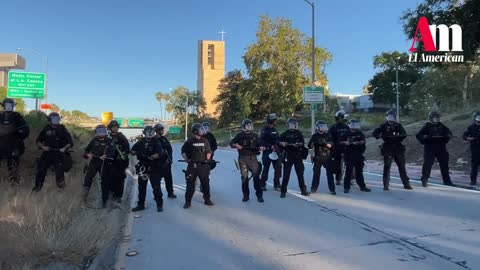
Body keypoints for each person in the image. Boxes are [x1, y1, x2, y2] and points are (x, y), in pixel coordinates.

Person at [372, 110, 412, 191]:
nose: (391, 119)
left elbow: (404, 134)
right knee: (387, 167)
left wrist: (398, 136)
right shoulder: (383, 126)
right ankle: (385, 184)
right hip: (388, 147)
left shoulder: (398, 125)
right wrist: (380, 135)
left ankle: (406, 184)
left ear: (395, 117)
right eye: (389, 117)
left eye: (392, 117)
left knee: (402, 167)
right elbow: (374, 133)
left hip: (398, 147)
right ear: (386, 117)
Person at [33, 112, 73, 192]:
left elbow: (70, 143)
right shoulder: (46, 128)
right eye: (54, 119)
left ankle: (62, 191)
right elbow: (38, 141)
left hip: (59, 154)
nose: (55, 120)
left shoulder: (63, 129)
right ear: (49, 120)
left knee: (59, 173)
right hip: (47, 153)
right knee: (41, 171)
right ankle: (37, 189)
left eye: (57, 119)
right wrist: (43, 147)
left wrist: (64, 148)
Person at [130, 126, 167, 212]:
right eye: (148, 132)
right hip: (143, 167)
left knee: (156, 187)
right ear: (144, 133)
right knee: (142, 187)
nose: (150, 133)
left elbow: (161, 153)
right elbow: (132, 152)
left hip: (154, 167)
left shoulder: (157, 142)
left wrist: (157, 155)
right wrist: (136, 152)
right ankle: (141, 205)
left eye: (151, 132)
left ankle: (159, 204)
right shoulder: (140, 142)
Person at [230, 119, 265, 202]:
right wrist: (236, 145)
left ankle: (259, 196)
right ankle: (246, 195)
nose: (249, 127)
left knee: (256, 177)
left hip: (253, 159)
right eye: (247, 125)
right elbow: (231, 143)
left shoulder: (255, 136)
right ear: (243, 127)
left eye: (250, 125)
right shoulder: (239, 135)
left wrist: (261, 148)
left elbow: (260, 145)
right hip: (242, 159)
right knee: (244, 178)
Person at [416, 112, 454, 187]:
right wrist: (425, 138)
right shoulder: (427, 126)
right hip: (430, 147)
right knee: (428, 164)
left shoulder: (442, 126)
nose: (436, 119)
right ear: (430, 118)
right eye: (434, 118)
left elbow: (449, 134)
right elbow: (418, 135)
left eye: (437, 118)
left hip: (441, 147)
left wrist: (447, 136)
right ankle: (424, 179)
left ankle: (447, 181)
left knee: (444, 164)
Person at [181, 123, 214, 209]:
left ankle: (207, 200)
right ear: (195, 131)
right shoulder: (189, 141)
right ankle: (187, 202)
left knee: (205, 184)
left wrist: (208, 158)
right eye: (200, 129)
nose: (202, 131)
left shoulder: (205, 140)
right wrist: (186, 159)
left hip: (203, 166)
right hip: (192, 166)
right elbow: (183, 151)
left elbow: (209, 151)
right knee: (190, 185)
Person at [82, 125, 115, 208]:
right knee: (87, 179)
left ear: (106, 132)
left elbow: (112, 153)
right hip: (94, 162)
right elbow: (86, 151)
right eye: (99, 131)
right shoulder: (94, 140)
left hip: (105, 163)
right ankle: (83, 200)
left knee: (104, 182)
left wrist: (106, 156)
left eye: (103, 131)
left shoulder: (109, 141)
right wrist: (87, 154)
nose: (101, 133)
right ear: (96, 132)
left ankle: (105, 202)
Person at [0, 98, 29, 185]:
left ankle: (14, 178)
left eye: (10, 105)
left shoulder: (17, 116)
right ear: (3, 106)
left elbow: (25, 128)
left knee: (14, 156)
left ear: (13, 106)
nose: (8, 107)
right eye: (6, 105)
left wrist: (21, 131)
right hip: (1, 142)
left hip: (14, 142)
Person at [278, 117, 309, 198]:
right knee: (286, 174)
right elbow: (277, 141)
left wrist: (298, 144)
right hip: (288, 155)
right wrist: (282, 143)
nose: (292, 126)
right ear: (288, 125)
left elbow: (302, 143)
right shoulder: (285, 134)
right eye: (291, 124)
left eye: (294, 124)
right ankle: (283, 191)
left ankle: (303, 190)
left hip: (297, 155)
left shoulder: (299, 134)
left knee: (300, 174)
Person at [340, 119, 371, 193]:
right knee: (348, 171)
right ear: (349, 125)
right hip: (349, 155)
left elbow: (363, 142)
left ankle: (362, 186)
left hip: (358, 154)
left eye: (355, 125)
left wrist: (360, 142)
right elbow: (340, 142)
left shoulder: (360, 133)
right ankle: (346, 187)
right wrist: (346, 142)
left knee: (359, 172)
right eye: (352, 125)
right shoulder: (345, 133)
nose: (354, 127)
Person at [308, 120, 336, 195]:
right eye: (321, 126)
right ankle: (313, 188)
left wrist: (325, 144)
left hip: (327, 156)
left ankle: (332, 189)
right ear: (317, 127)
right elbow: (309, 146)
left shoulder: (328, 135)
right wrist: (314, 143)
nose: (323, 128)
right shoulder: (315, 136)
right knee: (316, 174)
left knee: (329, 174)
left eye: (324, 126)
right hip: (318, 157)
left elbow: (331, 145)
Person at [107, 120, 130, 202]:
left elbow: (127, 149)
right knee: (109, 178)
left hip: (120, 162)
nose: (115, 128)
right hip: (109, 161)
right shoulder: (107, 137)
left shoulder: (121, 137)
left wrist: (121, 154)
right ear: (110, 128)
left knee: (120, 179)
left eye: (116, 126)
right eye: (113, 127)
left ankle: (118, 196)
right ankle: (110, 194)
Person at [154, 123, 177, 198]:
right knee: (156, 181)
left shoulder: (164, 139)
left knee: (169, 179)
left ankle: (170, 193)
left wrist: (169, 159)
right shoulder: (153, 140)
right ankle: (157, 195)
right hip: (157, 164)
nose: (163, 131)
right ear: (157, 131)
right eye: (161, 129)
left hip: (166, 163)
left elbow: (170, 150)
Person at [260, 113, 282, 191]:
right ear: (271, 121)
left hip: (276, 151)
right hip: (267, 152)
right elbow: (261, 141)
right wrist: (270, 146)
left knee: (278, 168)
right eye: (274, 121)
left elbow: (278, 139)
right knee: (266, 168)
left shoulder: (275, 130)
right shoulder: (264, 130)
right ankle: (262, 184)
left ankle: (277, 184)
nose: (275, 122)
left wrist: (278, 145)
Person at [328, 110, 350, 185]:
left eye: (342, 118)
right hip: (336, 148)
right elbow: (329, 138)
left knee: (349, 164)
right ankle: (337, 178)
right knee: (336, 164)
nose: (341, 119)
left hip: (346, 148)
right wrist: (331, 145)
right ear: (336, 118)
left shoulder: (347, 127)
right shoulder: (333, 127)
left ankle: (349, 179)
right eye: (339, 118)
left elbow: (350, 135)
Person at [462, 111, 480, 186]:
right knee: (475, 165)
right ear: (475, 118)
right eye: (478, 118)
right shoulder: (471, 127)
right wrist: (472, 138)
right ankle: (473, 181)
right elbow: (464, 137)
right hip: (475, 148)